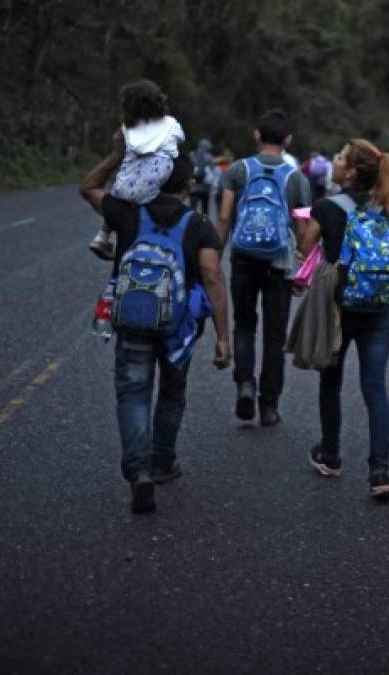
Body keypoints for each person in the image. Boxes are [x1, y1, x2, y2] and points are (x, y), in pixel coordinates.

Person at [79, 134, 230, 515]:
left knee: (133, 392)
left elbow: (89, 187)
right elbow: (212, 275)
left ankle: (138, 471)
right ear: (188, 186)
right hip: (178, 327)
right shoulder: (199, 224)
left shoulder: (128, 213)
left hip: (132, 321)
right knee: (172, 391)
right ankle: (163, 461)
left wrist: (116, 155)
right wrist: (223, 338)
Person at [300, 139, 389, 499]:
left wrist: (306, 221)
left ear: (351, 172)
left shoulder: (326, 207)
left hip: (339, 309)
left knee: (332, 381)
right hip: (378, 310)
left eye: (340, 157)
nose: (334, 161)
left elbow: (305, 247)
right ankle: (380, 472)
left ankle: (331, 454)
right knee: (376, 389)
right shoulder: (381, 207)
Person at [218, 109, 311, 427]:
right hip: (278, 262)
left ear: (256, 135)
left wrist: (215, 254)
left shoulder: (236, 170)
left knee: (244, 324)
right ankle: (269, 405)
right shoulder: (297, 178)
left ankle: (245, 383)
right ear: (288, 140)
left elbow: (225, 216)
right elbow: (303, 229)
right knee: (275, 334)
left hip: (243, 257)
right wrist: (303, 270)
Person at [89, 79, 185, 260]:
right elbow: (180, 139)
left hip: (123, 189)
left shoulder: (127, 129)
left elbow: (119, 143)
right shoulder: (171, 124)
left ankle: (102, 235)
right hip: (152, 191)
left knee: (126, 179)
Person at [190, 138, 216, 216]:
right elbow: (212, 171)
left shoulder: (192, 155)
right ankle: (204, 222)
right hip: (205, 187)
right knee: (205, 208)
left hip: (194, 186)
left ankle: (190, 222)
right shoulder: (210, 157)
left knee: (192, 207)